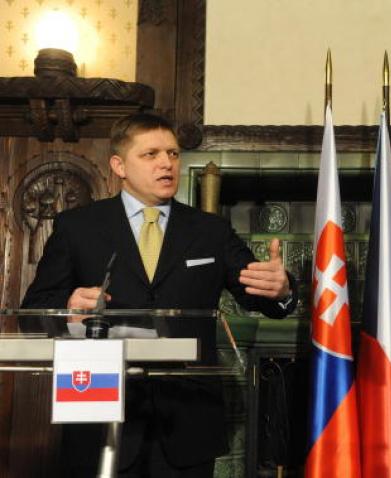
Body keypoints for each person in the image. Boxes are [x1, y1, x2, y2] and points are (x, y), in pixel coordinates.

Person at [22, 113, 297, 477]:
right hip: (100, 413)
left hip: (187, 420)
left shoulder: (210, 231)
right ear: (119, 165)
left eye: (172, 153)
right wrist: (67, 305)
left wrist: (283, 289)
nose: (166, 163)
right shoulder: (78, 227)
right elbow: (31, 315)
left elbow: (263, 298)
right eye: (150, 154)